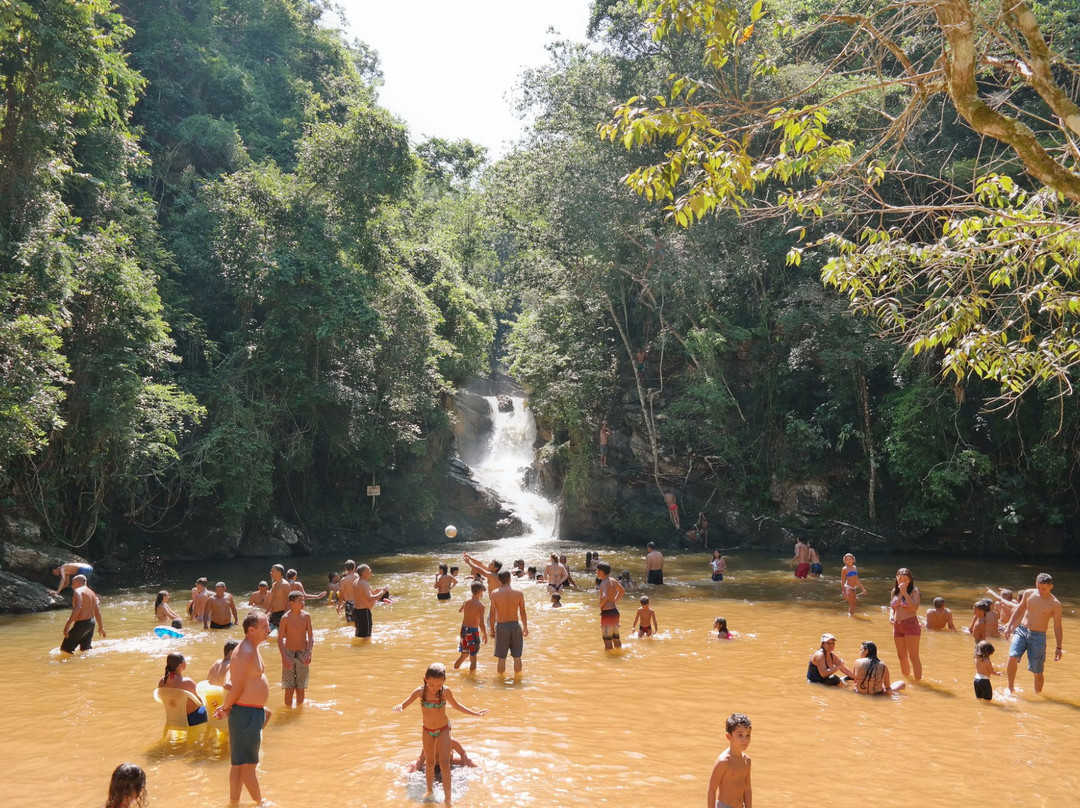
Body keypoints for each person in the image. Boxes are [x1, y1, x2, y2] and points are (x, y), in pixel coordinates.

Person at [393, 662, 488, 804]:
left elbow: (456, 706)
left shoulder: (445, 692)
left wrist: (475, 713)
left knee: (444, 763)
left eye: (439, 685)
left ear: (444, 682)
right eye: (432, 685)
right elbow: (405, 704)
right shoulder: (420, 692)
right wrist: (400, 706)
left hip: (443, 729)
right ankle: (430, 791)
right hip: (427, 731)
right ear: (425, 679)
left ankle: (448, 799)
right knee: (430, 763)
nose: (435, 689)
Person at [214, 611, 271, 805]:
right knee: (248, 767)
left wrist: (228, 707)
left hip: (246, 712)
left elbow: (235, 678)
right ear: (251, 630)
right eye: (265, 627)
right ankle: (260, 804)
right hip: (246, 713)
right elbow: (237, 686)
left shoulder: (251, 647)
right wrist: (225, 707)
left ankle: (234, 803)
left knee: (239, 765)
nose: (269, 630)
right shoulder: (246, 652)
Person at [1004, 572, 1064, 693]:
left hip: (1039, 636)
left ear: (1051, 586)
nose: (1040, 591)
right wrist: (1009, 625)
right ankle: (1010, 689)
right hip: (1022, 630)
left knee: (1037, 671)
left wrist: (1058, 647)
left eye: (1044, 589)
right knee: (1012, 657)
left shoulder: (1055, 604)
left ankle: (1037, 695)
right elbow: (1020, 608)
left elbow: (1057, 626)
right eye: (1038, 587)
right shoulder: (1029, 593)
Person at [705, 713, 753, 808]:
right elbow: (712, 789)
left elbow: (747, 789)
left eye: (748, 735)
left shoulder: (747, 761)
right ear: (729, 736)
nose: (745, 739)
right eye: (740, 735)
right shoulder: (723, 761)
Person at [278, 590, 313, 707]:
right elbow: (279, 639)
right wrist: (284, 658)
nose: (303, 602)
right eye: (300, 600)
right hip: (288, 654)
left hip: (303, 653)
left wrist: (309, 653)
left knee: (301, 687)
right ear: (291, 603)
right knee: (289, 687)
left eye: (303, 600)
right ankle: (288, 711)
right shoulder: (285, 618)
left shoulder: (306, 616)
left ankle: (299, 710)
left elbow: (311, 636)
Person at [489, 570, 528, 674]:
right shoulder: (519, 593)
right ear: (510, 579)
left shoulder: (495, 593)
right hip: (515, 625)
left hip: (501, 626)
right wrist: (525, 627)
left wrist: (492, 629)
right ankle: (517, 680)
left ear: (499, 580)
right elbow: (523, 612)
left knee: (501, 658)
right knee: (517, 657)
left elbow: (492, 613)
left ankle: (501, 683)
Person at [890, 568, 923, 680]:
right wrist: (891, 615)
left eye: (905, 579)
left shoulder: (914, 591)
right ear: (896, 579)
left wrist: (904, 592)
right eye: (900, 578)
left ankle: (918, 682)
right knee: (901, 656)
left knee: (913, 656)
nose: (902, 581)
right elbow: (892, 607)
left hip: (910, 624)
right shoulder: (894, 591)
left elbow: (914, 608)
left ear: (909, 580)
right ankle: (907, 679)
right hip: (897, 626)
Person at [61, 574, 105, 655]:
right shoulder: (91, 593)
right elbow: (97, 612)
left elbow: (78, 608)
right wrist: (101, 627)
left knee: (65, 650)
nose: (71, 586)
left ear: (78, 582)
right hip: (91, 623)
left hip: (82, 624)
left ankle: (70, 667)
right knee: (85, 650)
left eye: (72, 583)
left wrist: (67, 625)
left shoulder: (78, 591)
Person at [158, 652, 207, 725]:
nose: (186, 662)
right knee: (212, 707)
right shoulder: (188, 682)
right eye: (184, 661)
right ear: (179, 666)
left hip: (173, 718)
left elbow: (172, 678)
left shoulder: (162, 682)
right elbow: (201, 699)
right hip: (192, 719)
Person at [454, 581, 487, 671]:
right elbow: (481, 623)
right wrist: (485, 634)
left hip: (463, 631)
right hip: (472, 632)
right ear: (480, 592)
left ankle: (454, 670)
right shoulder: (481, 606)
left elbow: (460, 610)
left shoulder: (467, 601)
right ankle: (472, 680)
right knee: (473, 659)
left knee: (463, 655)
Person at [354, 564, 388, 638]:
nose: (371, 570)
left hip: (358, 611)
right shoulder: (363, 583)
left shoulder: (358, 581)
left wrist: (376, 591)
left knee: (359, 635)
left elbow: (363, 595)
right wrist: (382, 592)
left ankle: (358, 649)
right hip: (363, 612)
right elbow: (369, 598)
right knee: (366, 637)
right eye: (369, 569)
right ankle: (364, 649)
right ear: (364, 572)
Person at [596, 561, 625, 649]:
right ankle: (619, 655)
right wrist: (614, 601)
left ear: (601, 571)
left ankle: (609, 662)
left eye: (597, 570)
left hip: (607, 613)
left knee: (607, 641)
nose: (596, 572)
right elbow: (622, 591)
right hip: (615, 612)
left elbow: (604, 596)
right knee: (616, 638)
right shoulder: (613, 580)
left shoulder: (603, 583)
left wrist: (601, 606)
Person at [410, 739, 477, 774]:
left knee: (469, 761)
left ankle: (484, 772)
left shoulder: (452, 741)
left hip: (449, 762)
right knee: (412, 765)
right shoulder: (430, 743)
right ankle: (402, 779)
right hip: (434, 764)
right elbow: (421, 759)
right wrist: (415, 772)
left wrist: (465, 768)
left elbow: (462, 753)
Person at [266, 564, 291, 632]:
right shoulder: (274, 584)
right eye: (271, 571)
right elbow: (273, 601)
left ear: (279, 572)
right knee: (265, 634)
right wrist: (266, 613)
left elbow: (289, 602)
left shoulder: (285, 585)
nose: (271, 573)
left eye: (273, 571)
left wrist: (284, 616)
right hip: (274, 614)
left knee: (283, 637)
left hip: (282, 613)